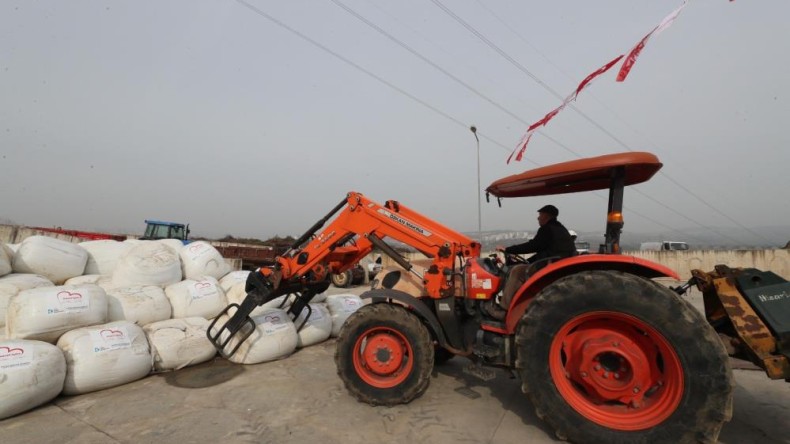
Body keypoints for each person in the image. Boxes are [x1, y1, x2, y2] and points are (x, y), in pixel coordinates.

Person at [483, 204, 576, 320]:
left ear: (547, 216)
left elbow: (533, 246)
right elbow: (544, 250)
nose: (538, 218)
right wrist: (528, 261)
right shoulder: (560, 229)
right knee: (522, 267)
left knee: (517, 271)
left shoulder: (547, 229)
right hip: (555, 263)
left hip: (550, 265)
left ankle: (504, 309)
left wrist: (507, 249)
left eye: (540, 215)